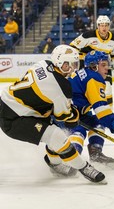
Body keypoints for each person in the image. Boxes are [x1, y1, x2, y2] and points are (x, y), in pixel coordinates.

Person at [0, 44, 106, 184]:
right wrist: (73, 115)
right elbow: (65, 117)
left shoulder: (44, 63)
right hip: (13, 118)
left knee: (54, 133)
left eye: (75, 64)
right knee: (56, 135)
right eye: (70, 65)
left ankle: (54, 164)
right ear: (60, 62)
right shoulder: (61, 86)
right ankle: (84, 168)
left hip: (13, 103)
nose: (73, 69)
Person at [67, 50, 114, 167]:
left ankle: (95, 153)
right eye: (103, 65)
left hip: (73, 112)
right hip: (65, 115)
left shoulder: (86, 73)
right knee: (78, 130)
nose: (107, 68)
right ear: (94, 66)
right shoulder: (93, 78)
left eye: (107, 65)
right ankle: (71, 160)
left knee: (97, 123)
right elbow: (101, 108)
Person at [69, 15, 114, 106]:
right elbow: (72, 47)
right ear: (97, 26)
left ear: (109, 26)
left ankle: (108, 114)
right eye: (101, 25)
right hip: (87, 64)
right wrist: (79, 61)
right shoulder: (88, 35)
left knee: (107, 89)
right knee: (85, 88)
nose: (104, 27)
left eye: (106, 25)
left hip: (103, 65)